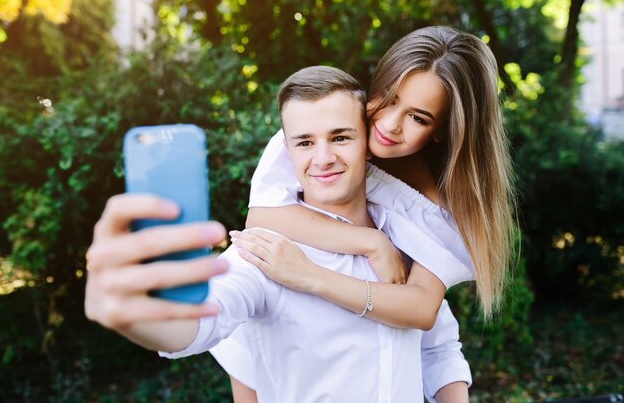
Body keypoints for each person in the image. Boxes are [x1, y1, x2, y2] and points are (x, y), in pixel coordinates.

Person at [84, 65, 470, 403]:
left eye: (340, 137)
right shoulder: (264, 253)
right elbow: (198, 324)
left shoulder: (405, 240)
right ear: (287, 150)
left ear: (367, 143)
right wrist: (137, 313)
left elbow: (437, 346)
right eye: (305, 142)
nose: (322, 158)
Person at [234, 26, 517, 328]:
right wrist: (370, 241)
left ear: (443, 131)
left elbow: (421, 309)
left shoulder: (433, 207)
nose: (391, 124)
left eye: (418, 118)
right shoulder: (322, 127)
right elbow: (262, 216)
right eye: (389, 97)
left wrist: (311, 277)